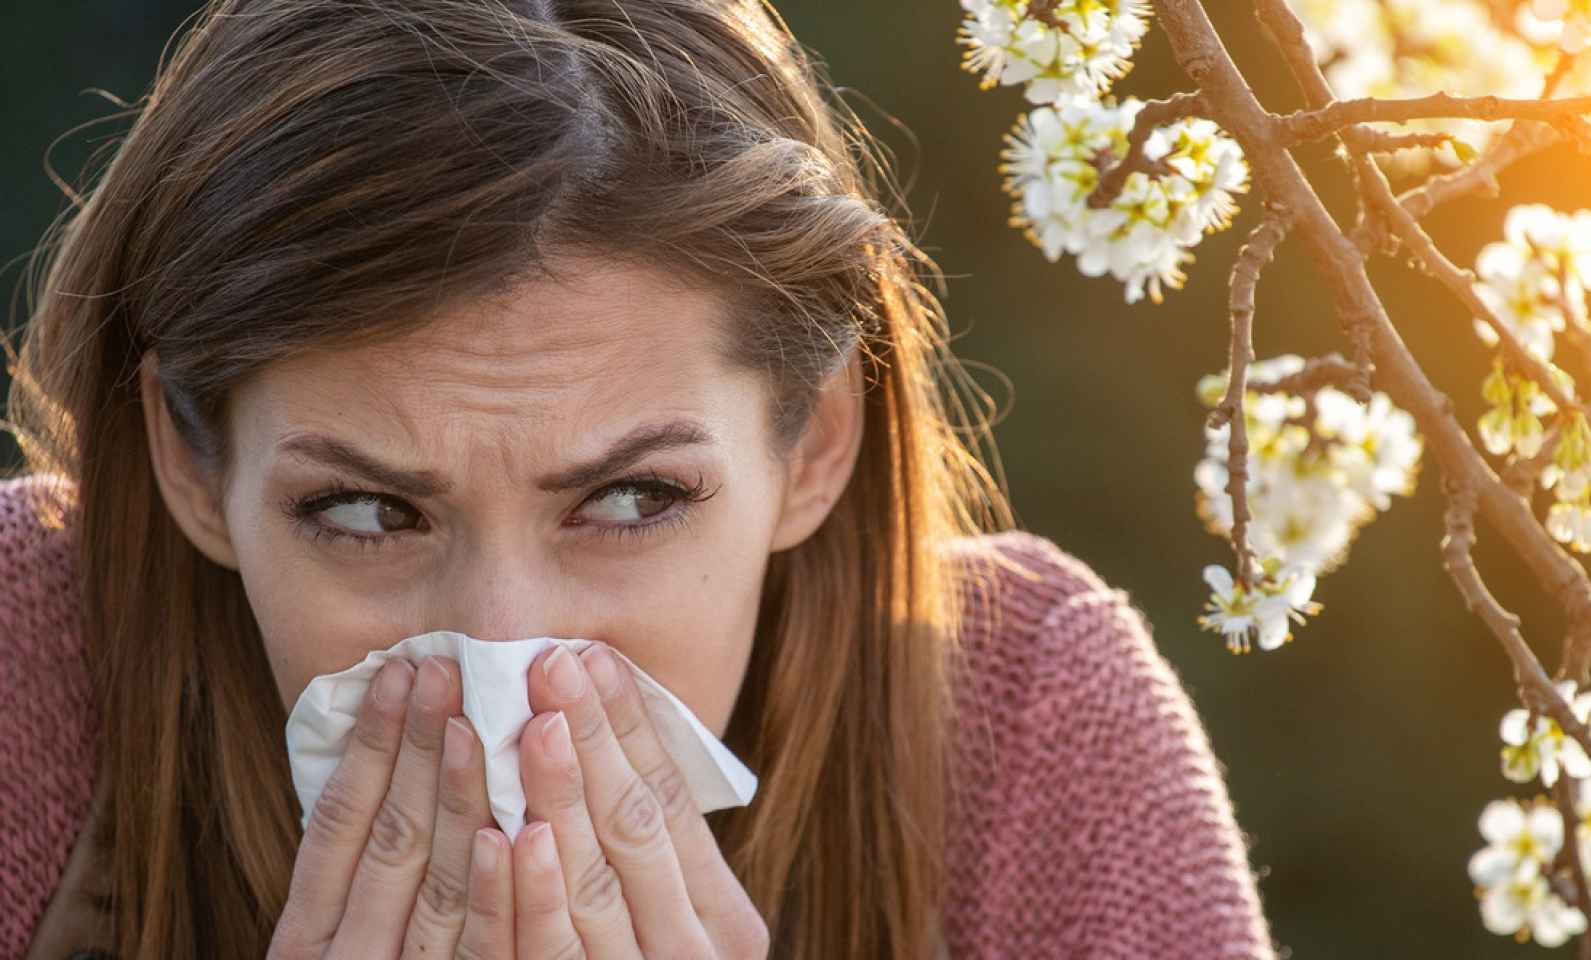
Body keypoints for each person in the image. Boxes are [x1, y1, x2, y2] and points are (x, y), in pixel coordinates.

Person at [0, 0, 1276, 957]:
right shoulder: (32, 660)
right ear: (187, 463)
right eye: (365, 513)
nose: (508, 647)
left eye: (628, 500)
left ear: (814, 445)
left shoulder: (1021, 719)